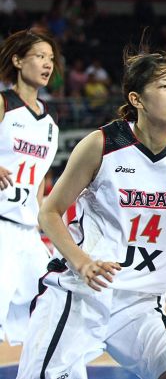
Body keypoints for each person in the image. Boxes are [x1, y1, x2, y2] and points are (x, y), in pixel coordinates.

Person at [17, 48, 166, 379]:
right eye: (165, 86)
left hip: (141, 303)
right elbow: (49, 213)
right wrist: (82, 262)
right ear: (137, 98)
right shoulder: (102, 144)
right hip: (81, 292)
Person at [0, 28, 63, 346]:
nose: (47, 63)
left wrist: (43, 223)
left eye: (50, 58)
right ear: (17, 60)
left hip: (27, 232)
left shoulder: (50, 122)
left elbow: (40, 181)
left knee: (49, 316)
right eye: (39, 56)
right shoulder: (3, 104)